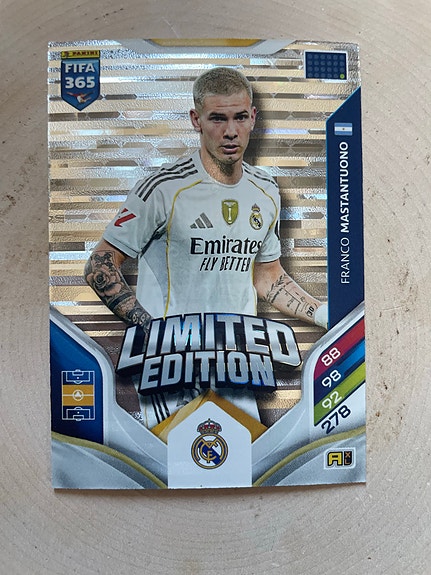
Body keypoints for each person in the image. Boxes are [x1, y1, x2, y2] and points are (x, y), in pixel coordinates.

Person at [84, 67, 327, 427]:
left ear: (253, 118)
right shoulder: (163, 188)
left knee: (247, 457)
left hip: (240, 364)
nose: (230, 131)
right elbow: (100, 266)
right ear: (196, 120)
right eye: (217, 118)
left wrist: (324, 314)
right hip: (172, 369)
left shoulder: (266, 190)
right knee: (175, 458)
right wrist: (153, 332)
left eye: (239, 117)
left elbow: (266, 276)